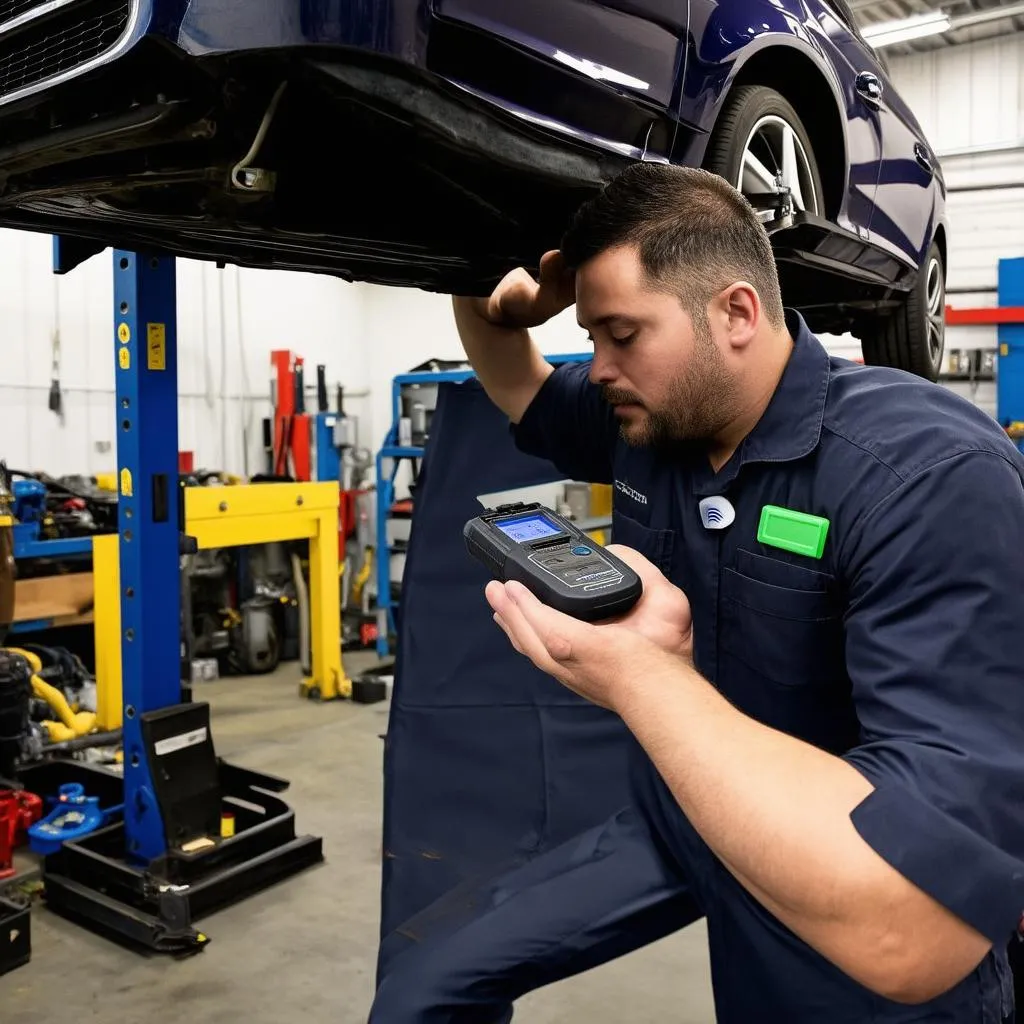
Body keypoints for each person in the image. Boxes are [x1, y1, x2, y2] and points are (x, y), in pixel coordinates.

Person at [369, 163, 1024, 1022]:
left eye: (621, 333)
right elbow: (519, 383)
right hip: (677, 820)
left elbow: (913, 932)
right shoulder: (651, 416)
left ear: (737, 313)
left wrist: (640, 674)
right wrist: (492, 310)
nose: (598, 367)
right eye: (591, 336)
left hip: (834, 865)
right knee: (423, 988)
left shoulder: (928, 479)